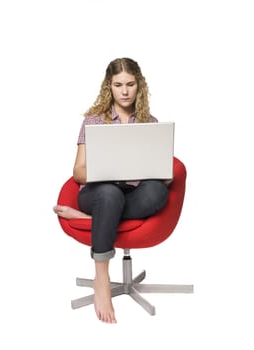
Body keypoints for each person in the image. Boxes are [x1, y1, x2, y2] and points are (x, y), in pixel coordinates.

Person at [53, 57, 171, 323]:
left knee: (158, 193)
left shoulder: (149, 122)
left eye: (130, 84)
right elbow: (78, 171)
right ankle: (102, 276)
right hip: (98, 193)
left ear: (139, 85)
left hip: (135, 193)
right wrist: (108, 171)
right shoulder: (94, 121)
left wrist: (160, 174)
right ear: (110, 86)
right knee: (110, 193)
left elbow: (159, 169)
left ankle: (90, 221)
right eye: (118, 85)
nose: (125, 91)